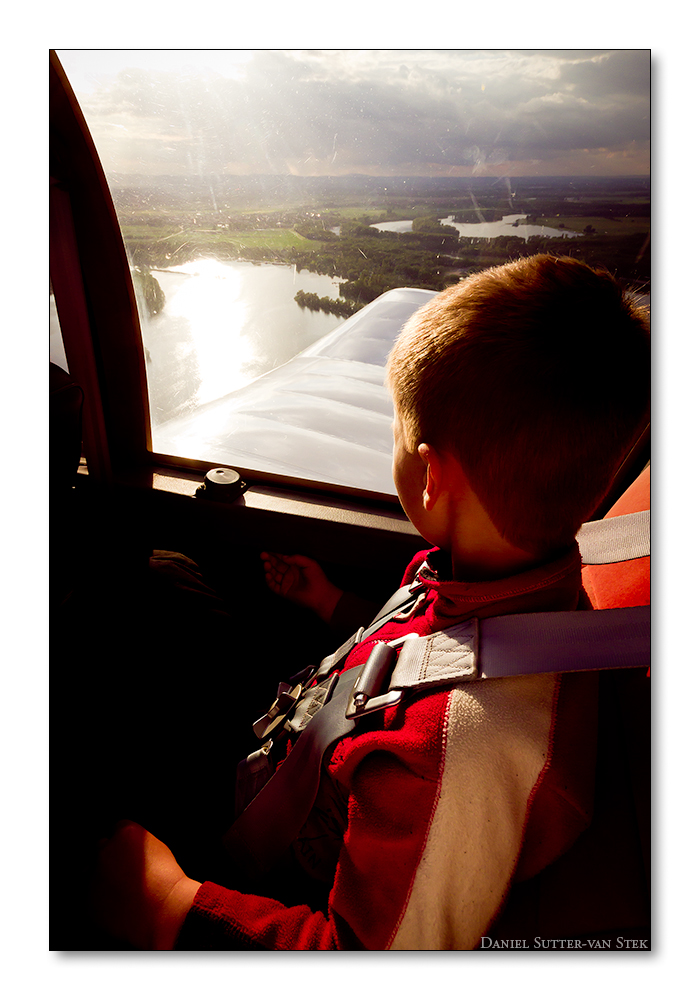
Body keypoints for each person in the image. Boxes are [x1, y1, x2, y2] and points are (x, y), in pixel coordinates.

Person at [89, 254, 650, 950]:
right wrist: (331, 602)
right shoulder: (503, 575)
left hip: (267, 861)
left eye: (396, 428)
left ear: (431, 477)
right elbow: (429, 652)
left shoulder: (464, 755)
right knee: (166, 580)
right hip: (302, 745)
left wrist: (173, 905)